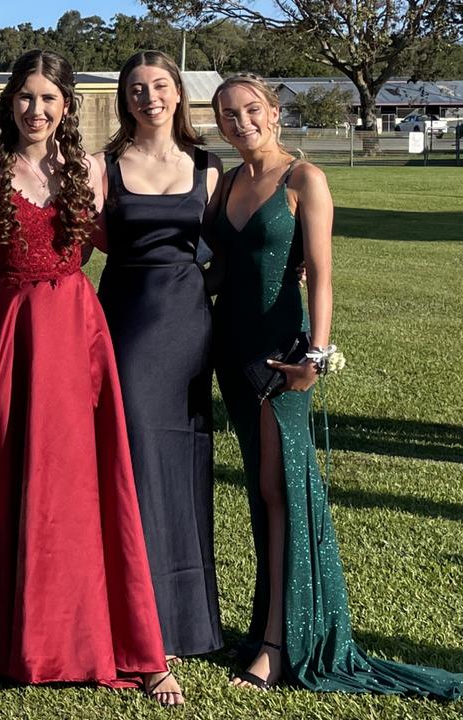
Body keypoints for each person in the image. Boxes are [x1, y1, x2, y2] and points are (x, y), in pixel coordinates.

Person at [209, 74, 463, 699]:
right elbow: (217, 270)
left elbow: (320, 276)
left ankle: (278, 643)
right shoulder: (228, 182)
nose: (241, 122)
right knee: (261, 491)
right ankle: (273, 625)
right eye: (227, 116)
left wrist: (316, 356)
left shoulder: (304, 181)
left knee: (281, 489)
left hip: (280, 355)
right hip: (228, 351)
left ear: (272, 111)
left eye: (250, 110)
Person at [0, 49, 183, 706]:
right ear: (9, 102)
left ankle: (96, 632)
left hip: (77, 335)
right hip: (9, 331)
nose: (36, 109)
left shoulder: (89, 170)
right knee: (7, 468)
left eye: (49, 98)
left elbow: (136, 234)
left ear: (67, 106)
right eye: (26, 96)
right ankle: (0, 628)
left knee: (78, 481)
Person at [93, 50, 223, 662]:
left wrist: (291, 266)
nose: (150, 97)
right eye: (137, 88)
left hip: (190, 326)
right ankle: (136, 624)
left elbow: (230, 248)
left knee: (185, 458)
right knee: (135, 454)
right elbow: (76, 240)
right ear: (125, 99)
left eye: (161, 86)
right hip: (124, 320)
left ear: (179, 94)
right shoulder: (104, 167)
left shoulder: (209, 167)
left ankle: (188, 624)